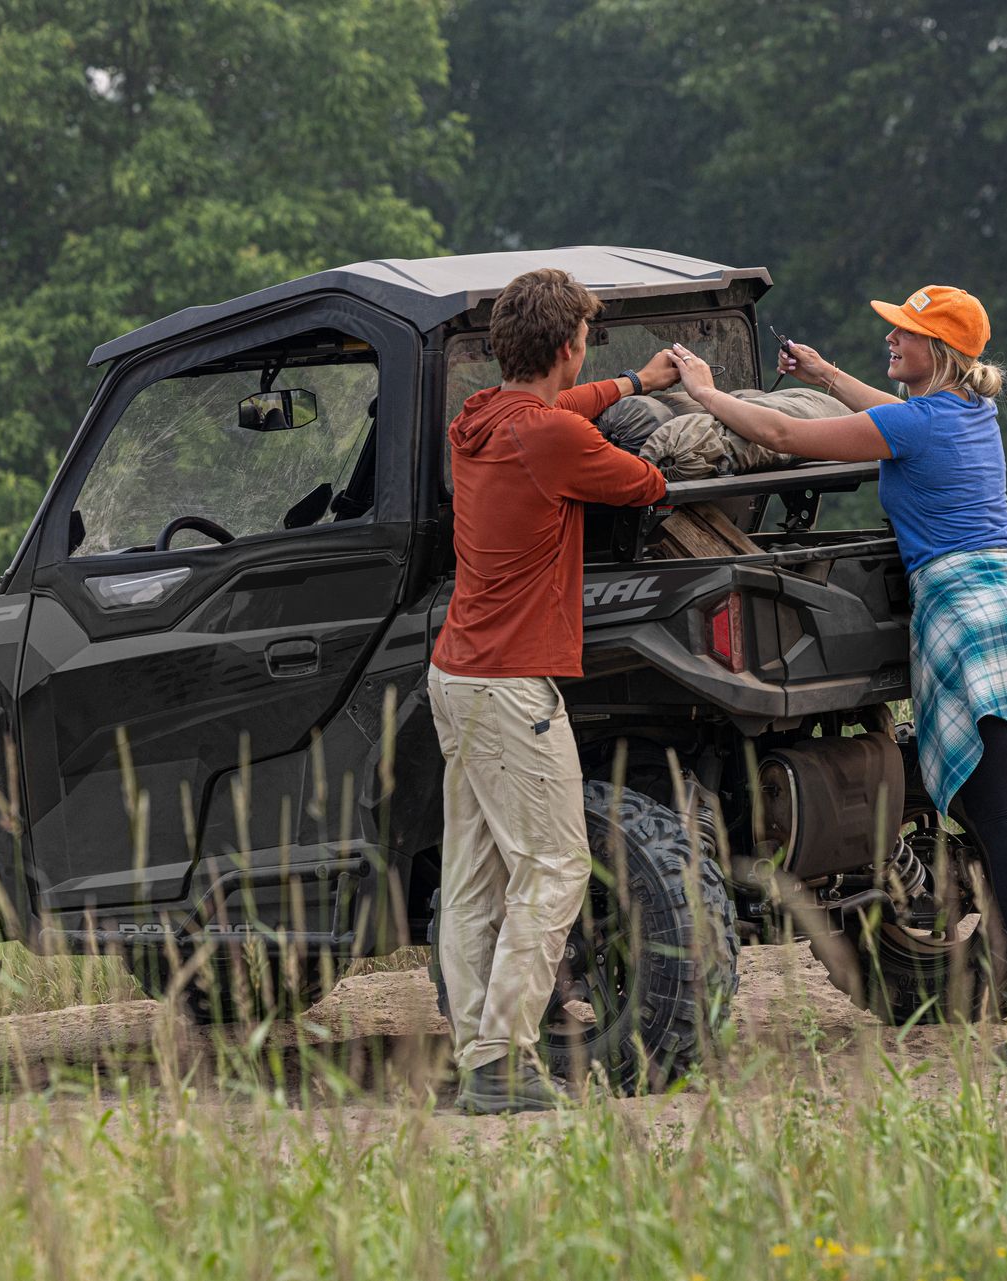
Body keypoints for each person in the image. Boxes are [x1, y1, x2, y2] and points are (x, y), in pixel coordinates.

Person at [666, 286, 1007, 1064]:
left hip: (964, 615)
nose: (890, 338)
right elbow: (883, 418)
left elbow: (786, 433)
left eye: (905, 333)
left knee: (1004, 821)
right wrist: (827, 375)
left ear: (940, 352)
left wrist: (707, 395)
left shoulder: (914, 424)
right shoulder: (969, 412)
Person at [431, 268, 678, 1112]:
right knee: (557, 865)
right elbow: (648, 483)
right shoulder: (550, 440)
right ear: (570, 346)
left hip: (455, 675)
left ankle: (474, 1056)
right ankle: (502, 1060)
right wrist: (652, 417)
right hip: (509, 685)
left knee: (472, 879)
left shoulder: (481, 419)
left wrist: (634, 384)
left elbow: (555, 415)